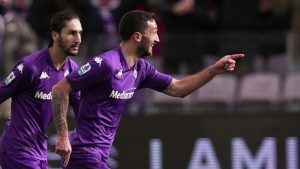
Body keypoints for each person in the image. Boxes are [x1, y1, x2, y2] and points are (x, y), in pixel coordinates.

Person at [51, 10, 244, 169]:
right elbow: (60, 89)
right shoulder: (106, 64)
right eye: (154, 32)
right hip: (83, 154)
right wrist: (62, 136)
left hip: (100, 155)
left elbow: (178, 89)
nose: (158, 39)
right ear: (137, 36)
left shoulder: (141, 69)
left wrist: (214, 70)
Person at [0, 10, 82, 169]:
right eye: (72, 33)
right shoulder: (30, 67)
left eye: (80, 33)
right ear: (55, 35)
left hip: (40, 152)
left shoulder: (73, 71)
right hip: (17, 150)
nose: (78, 39)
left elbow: (82, 109)